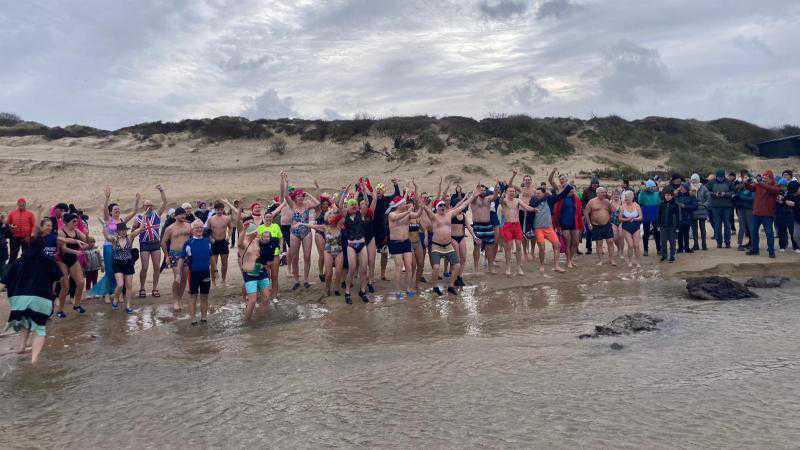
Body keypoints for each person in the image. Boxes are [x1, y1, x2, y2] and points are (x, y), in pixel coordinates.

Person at [2, 240, 63, 363]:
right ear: (43, 248)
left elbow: (3, 283)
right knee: (40, 329)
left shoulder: (18, 261)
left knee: (25, 319)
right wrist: (55, 297)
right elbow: (59, 278)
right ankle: (34, 360)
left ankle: (22, 346)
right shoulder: (48, 261)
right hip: (41, 298)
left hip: (19, 300)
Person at [421, 191, 475, 294]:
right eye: (440, 205)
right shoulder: (434, 216)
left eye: (443, 205)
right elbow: (426, 209)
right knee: (436, 267)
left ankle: (451, 285)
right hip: (437, 246)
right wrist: (421, 202)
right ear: (437, 208)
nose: (442, 207)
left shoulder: (449, 214)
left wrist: (473, 196)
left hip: (448, 245)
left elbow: (463, 206)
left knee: (457, 265)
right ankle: (435, 287)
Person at [89, 187, 139, 301]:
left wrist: (136, 201)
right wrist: (107, 198)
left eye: (118, 209)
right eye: (115, 209)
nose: (117, 210)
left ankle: (119, 293)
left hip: (121, 249)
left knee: (119, 271)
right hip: (109, 247)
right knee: (109, 270)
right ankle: (107, 293)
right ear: (111, 212)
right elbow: (104, 211)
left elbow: (135, 212)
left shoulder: (122, 221)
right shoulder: (109, 221)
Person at [281, 171, 321, 290]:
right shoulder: (292, 205)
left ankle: (306, 279)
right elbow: (285, 195)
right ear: (295, 198)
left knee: (307, 256)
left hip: (307, 232)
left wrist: (310, 193)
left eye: (302, 196)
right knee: (294, 256)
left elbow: (318, 203)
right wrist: (286, 182)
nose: (300, 198)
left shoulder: (307, 204)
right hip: (294, 233)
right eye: (298, 196)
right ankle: (296, 279)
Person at [132, 185, 167, 298]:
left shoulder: (157, 214)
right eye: (146, 205)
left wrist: (161, 190)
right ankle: (142, 287)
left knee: (157, 267)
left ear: (152, 206)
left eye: (150, 205)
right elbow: (133, 231)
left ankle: (155, 288)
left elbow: (164, 202)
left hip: (155, 244)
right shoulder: (139, 217)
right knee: (145, 267)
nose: (148, 206)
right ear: (144, 206)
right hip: (144, 244)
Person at [498, 185, 539, 274]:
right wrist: (500, 191)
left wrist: (533, 209)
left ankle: (519, 267)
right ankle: (508, 267)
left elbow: (526, 207)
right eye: (510, 191)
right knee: (508, 247)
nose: (512, 193)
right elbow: (500, 200)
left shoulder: (517, 200)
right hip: (508, 225)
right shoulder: (504, 201)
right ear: (507, 192)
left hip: (517, 225)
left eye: (513, 191)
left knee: (518, 247)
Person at [240, 224, 277, 321]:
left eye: (257, 232)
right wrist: (243, 229)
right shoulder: (244, 243)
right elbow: (239, 243)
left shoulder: (257, 241)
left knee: (266, 296)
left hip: (262, 272)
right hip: (250, 273)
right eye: (255, 232)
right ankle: (246, 321)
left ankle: (261, 317)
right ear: (250, 233)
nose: (257, 233)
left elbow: (267, 240)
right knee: (252, 300)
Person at [548, 169, 583, 269]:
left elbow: (578, 205)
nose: (562, 180)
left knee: (575, 242)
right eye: (560, 179)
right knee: (568, 242)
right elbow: (550, 180)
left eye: (563, 179)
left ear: (566, 180)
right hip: (563, 219)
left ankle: (571, 259)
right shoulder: (559, 189)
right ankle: (568, 261)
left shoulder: (572, 189)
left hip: (574, 220)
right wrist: (553, 171)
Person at [387, 195, 421, 298]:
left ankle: (409, 288)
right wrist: (408, 211)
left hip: (406, 242)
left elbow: (417, 214)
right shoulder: (391, 214)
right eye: (403, 203)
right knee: (398, 266)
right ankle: (398, 291)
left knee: (409, 266)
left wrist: (422, 208)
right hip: (395, 243)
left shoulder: (408, 213)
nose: (405, 204)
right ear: (398, 205)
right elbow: (396, 218)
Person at [56, 213, 88, 316]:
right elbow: (63, 249)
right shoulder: (61, 232)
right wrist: (76, 252)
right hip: (62, 260)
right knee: (65, 287)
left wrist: (86, 234)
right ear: (66, 222)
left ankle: (77, 305)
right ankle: (60, 310)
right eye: (73, 221)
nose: (76, 223)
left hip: (73, 259)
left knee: (81, 282)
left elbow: (86, 241)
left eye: (76, 221)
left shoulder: (76, 231)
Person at [308, 209, 345, 297]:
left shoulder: (339, 226)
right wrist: (300, 224)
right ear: (327, 218)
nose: (331, 217)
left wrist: (343, 195)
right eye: (329, 216)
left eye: (333, 216)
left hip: (339, 250)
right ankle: (327, 288)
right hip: (328, 251)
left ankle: (336, 288)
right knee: (328, 273)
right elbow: (312, 226)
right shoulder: (325, 227)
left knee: (339, 271)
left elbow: (343, 214)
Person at [161, 207, 192, 311]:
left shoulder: (189, 225)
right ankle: (175, 300)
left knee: (184, 278)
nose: (183, 216)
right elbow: (163, 242)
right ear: (175, 216)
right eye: (181, 214)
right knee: (177, 278)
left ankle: (180, 299)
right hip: (175, 254)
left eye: (184, 214)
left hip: (187, 254)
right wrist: (166, 256)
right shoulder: (170, 228)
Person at [528, 187, 565, 273]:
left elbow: (560, 196)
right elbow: (528, 212)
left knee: (557, 245)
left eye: (539, 193)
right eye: (536, 193)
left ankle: (556, 266)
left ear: (544, 194)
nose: (537, 195)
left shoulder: (549, 200)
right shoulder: (533, 202)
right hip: (538, 228)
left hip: (549, 228)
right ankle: (541, 265)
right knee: (542, 248)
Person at [746, 170, 781, 258]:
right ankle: (754, 249)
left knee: (769, 233)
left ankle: (771, 251)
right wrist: (746, 182)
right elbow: (750, 188)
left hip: (768, 214)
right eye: (764, 176)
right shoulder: (759, 185)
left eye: (767, 176)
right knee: (753, 232)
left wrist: (760, 183)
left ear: (771, 177)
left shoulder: (775, 185)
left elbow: (773, 190)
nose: (765, 178)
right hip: (756, 212)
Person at [110, 222, 143, 314]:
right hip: (117, 264)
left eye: (124, 230)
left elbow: (140, 229)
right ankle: (116, 298)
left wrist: (144, 218)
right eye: (121, 230)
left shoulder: (130, 237)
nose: (123, 231)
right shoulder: (114, 240)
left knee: (129, 286)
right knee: (120, 284)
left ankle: (128, 306)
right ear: (118, 231)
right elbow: (107, 236)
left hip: (128, 263)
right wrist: (105, 228)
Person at [184, 219, 212, 325]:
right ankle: (193, 318)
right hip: (193, 273)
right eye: (197, 228)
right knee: (193, 296)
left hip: (206, 272)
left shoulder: (207, 241)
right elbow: (182, 258)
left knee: (205, 295)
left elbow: (211, 257)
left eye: (201, 227)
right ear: (192, 230)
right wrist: (178, 275)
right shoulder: (188, 242)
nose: (199, 229)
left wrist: (214, 271)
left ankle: (204, 317)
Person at [469, 183, 499, 273]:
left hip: (488, 225)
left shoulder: (488, 199)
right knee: (477, 247)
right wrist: (476, 192)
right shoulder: (474, 200)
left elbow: (494, 197)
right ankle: (476, 269)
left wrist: (496, 190)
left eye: (484, 190)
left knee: (489, 247)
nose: (483, 191)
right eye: (480, 190)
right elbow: (473, 198)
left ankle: (490, 268)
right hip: (477, 225)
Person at [583, 186, 616, 266]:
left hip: (607, 225)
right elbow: (586, 212)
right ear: (597, 193)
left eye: (605, 192)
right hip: (596, 225)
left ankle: (611, 259)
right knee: (599, 243)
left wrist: (613, 202)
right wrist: (589, 223)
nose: (604, 194)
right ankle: (600, 260)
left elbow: (613, 211)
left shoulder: (607, 201)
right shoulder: (592, 202)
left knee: (610, 241)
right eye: (602, 192)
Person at [206, 201, 233, 287]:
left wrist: (228, 236)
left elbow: (231, 228)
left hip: (223, 242)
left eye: (221, 209)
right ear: (215, 209)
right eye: (217, 209)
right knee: (214, 263)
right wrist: (211, 238)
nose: (219, 211)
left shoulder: (226, 218)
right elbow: (207, 231)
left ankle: (223, 280)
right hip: (214, 243)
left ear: (223, 209)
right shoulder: (211, 219)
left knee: (224, 263)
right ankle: (213, 282)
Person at [707, 170, 735, 249]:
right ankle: (719, 242)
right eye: (719, 177)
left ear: (724, 176)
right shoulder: (711, 182)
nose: (720, 179)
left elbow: (733, 192)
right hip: (715, 206)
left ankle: (727, 242)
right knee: (717, 225)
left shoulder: (729, 182)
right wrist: (714, 194)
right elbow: (707, 191)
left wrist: (725, 194)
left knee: (727, 225)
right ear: (716, 176)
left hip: (727, 206)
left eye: (721, 177)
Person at [619, 190, 643, 267]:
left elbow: (641, 217)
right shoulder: (622, 206)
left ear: (632, 197)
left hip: (636, 227)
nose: (626, 198)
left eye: (627, 197)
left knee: (636, 245)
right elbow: (620, 218)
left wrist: (635, 219)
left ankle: (638, 262)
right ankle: (630, 261)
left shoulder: (637, 205)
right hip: (626, 228)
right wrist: (627, 219)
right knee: (630, 245)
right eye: (625, 197)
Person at [637, 180, 661, 256]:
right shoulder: (643, 194)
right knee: (646, 233)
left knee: (657, 233)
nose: (652, 189)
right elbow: (639, 201)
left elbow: (660, 203)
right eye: (650, 187)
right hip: (646, 216)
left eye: (653, 187)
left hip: (655, 215)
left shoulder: (657, 194)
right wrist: (642, 191)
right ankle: (646, 250)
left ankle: (659, 249)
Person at [656, 188, 680, 262]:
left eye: (669, 195)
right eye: (666, 195)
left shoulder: (675, 205)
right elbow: (659, 215)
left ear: (672, 196)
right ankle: (664, 255)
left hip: (672, 226)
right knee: (663, 241)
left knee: (672, 241)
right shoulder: (661, 204)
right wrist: (658, 225)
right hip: (663, 225)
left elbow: (678, 216)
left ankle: (672, 255)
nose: (667, 197)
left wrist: (677, 226)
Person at [733, 174, 754, 251]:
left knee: (750, 227)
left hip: (749, 209)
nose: (744, 179)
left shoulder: (752, 187)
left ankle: (753, 244)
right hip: (741, 208)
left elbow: (752, 198)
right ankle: (740, 244)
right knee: (742, 227)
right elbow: (736, 194)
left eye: (746, 177)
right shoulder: (740, 187)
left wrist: (741, 196)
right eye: (743, 178)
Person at [689, 174, 710, 251]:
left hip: (702, 210)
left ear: (698, 180)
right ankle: (696, 245)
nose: (694, 181)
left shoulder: (703, 188)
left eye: (695, 179)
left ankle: (704, 245)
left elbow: (708, 198)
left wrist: (704, 205)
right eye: (692, 179)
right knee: (694, 229)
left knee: (702, 228)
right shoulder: (689, 188)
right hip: (693, 210)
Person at [674, 183, 697, 254]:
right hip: (679, 217)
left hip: (687, 217)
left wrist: (685, 206)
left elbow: (695, 206)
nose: (682, 189)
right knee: (679, 233)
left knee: (686, 233)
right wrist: (676, 191)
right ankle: (680, 248)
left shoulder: (691, 196)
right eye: (681, 188)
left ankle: (687, 247)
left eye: (683, 188)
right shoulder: (677, 195)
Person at [581, 177, 600, 255]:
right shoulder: (586, 191)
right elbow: (583, 202)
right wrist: (585, 212)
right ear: (591, 184)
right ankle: (589, 248)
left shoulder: (600, 190)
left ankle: (599, 248)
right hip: (588, 214)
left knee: (599, 232)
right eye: (593, 184)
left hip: (598, 214)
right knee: (589, 231)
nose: (595, 185)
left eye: (596, 184)